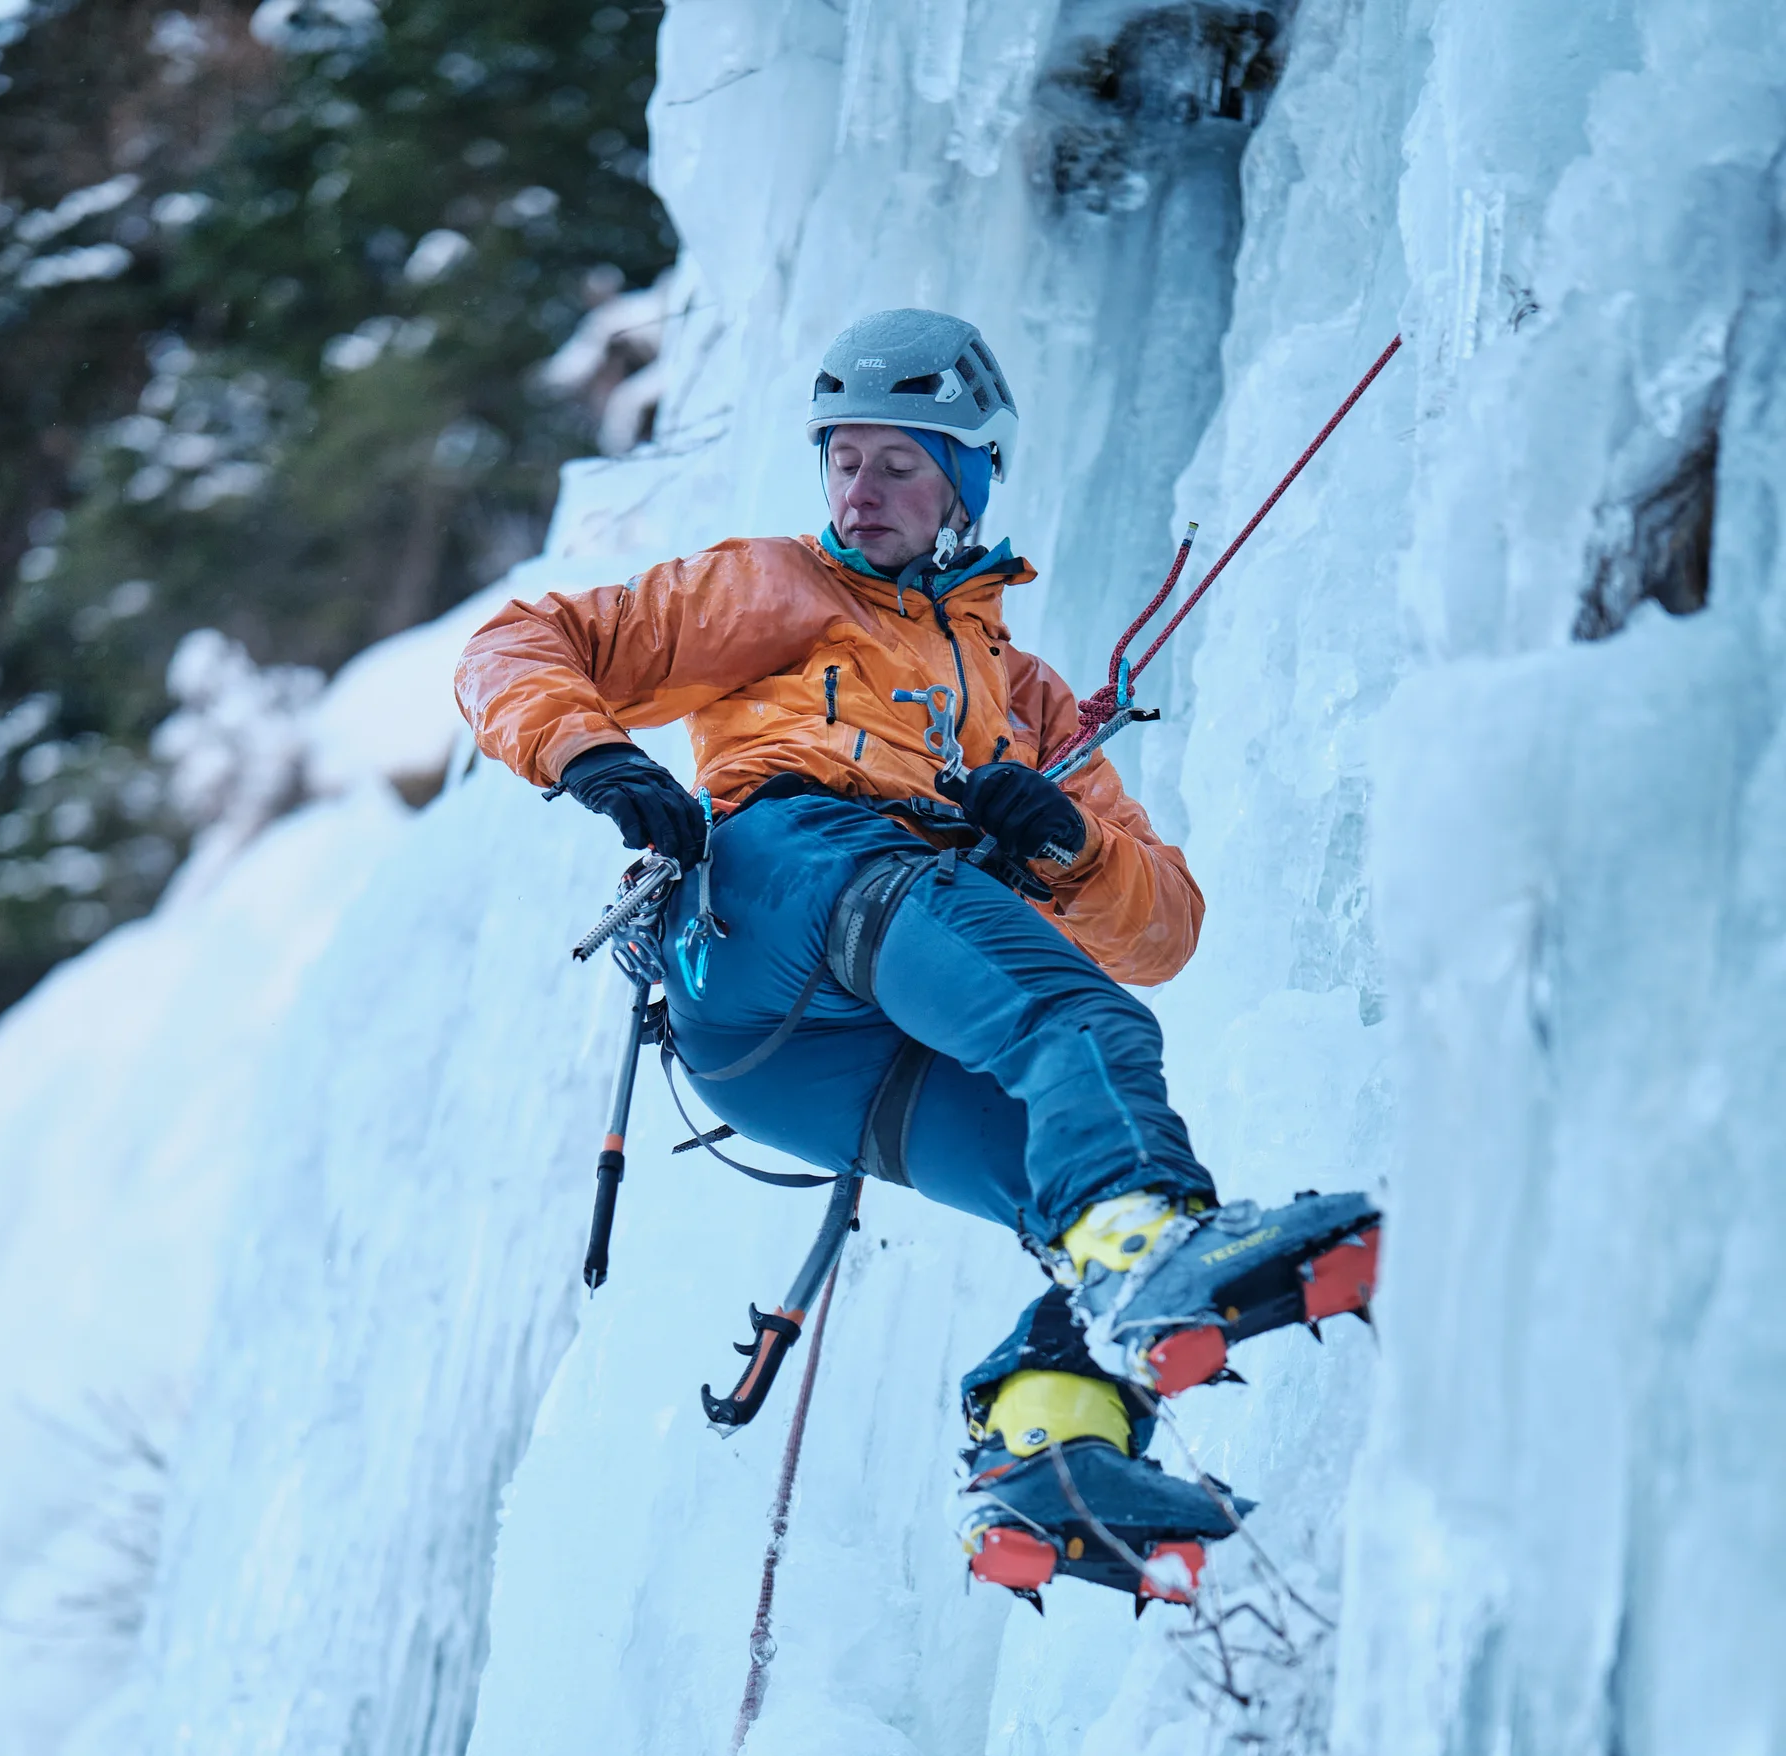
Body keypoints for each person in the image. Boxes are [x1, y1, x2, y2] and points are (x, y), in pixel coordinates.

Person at [455, 309, 1377, 1605]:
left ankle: (1050, 1448)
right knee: (1088, 1041)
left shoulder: (1029, 698)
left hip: (786, 1064)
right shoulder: (779, 585)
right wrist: (595, 756)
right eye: (842, 457)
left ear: (969, 477)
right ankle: (1144, 1262)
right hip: (779, 885)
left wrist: (1060, 840)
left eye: (899, 460)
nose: (859, 486)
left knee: (1086, 1180)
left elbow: (1163, 927)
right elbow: (516, 645)